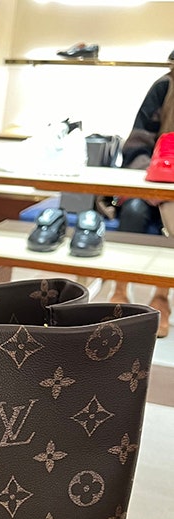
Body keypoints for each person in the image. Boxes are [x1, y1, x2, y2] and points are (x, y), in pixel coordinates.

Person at [110, 55, 174, 338]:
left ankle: (162, 296)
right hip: (152, 179)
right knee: (133, 210)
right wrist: (152, 183)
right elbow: (138, 142)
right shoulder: (165, 87)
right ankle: (120, 288)